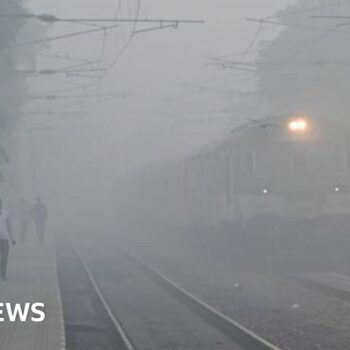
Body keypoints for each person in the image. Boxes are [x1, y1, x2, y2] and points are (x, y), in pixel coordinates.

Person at [0, 199, 15, 280]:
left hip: (4, 239)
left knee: (4, 258)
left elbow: (9, 227)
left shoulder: (6, 214)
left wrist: (12, 238)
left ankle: (3, 274)